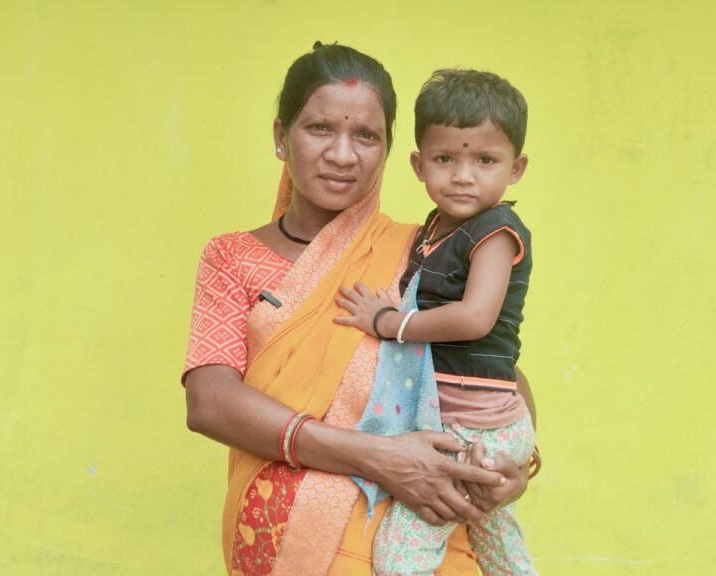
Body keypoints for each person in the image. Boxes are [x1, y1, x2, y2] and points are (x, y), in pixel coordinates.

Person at [182, 43, 533, 576]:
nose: (343, 155)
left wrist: (518, 467)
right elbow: (210, 404)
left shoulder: (424, 250)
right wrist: (380, 457)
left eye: (366, 136)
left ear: (391, 151)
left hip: (420, 532)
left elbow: (493, 365)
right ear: (282, 137)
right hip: (282, 540)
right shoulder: (232, 257)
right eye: (320, 128)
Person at [335, 69, 539, 575]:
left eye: (485, 160)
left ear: (516, 168)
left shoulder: (496, 232)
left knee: (400, 557)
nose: (463, 175)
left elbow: (473, 318)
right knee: (499, 548)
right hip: (472, 420)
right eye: (446, 158)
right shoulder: (433, 230)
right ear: (418, 164)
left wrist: (389, 323)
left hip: (474, 428)